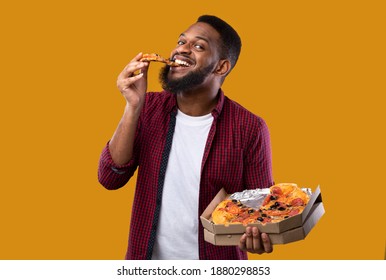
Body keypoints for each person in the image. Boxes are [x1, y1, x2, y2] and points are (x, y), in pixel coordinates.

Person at [98, 15, 274, 260]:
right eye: (181, 41)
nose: (181, 49)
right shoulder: (148, 108)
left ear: (221, 67)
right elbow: (109, 178)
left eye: (198, 46)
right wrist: (133, 106)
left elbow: (261, 214)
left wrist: (258, 234)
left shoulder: (249, 128)